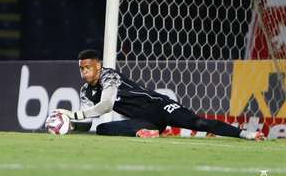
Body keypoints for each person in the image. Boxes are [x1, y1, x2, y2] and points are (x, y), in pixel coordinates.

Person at [53, 49, 265, 140]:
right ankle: (144, 132)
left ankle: (245, 134)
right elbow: (87, 123)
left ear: (98, 66)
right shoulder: (85, 91)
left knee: (199, 123)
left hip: (159, 106)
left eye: (87, 68)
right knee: (102, 129)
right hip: (142, 121)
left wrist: (75, 114)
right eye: (81, 68)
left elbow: (107, 105)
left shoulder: (109, 76)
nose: (84, 72)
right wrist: (69, 124)